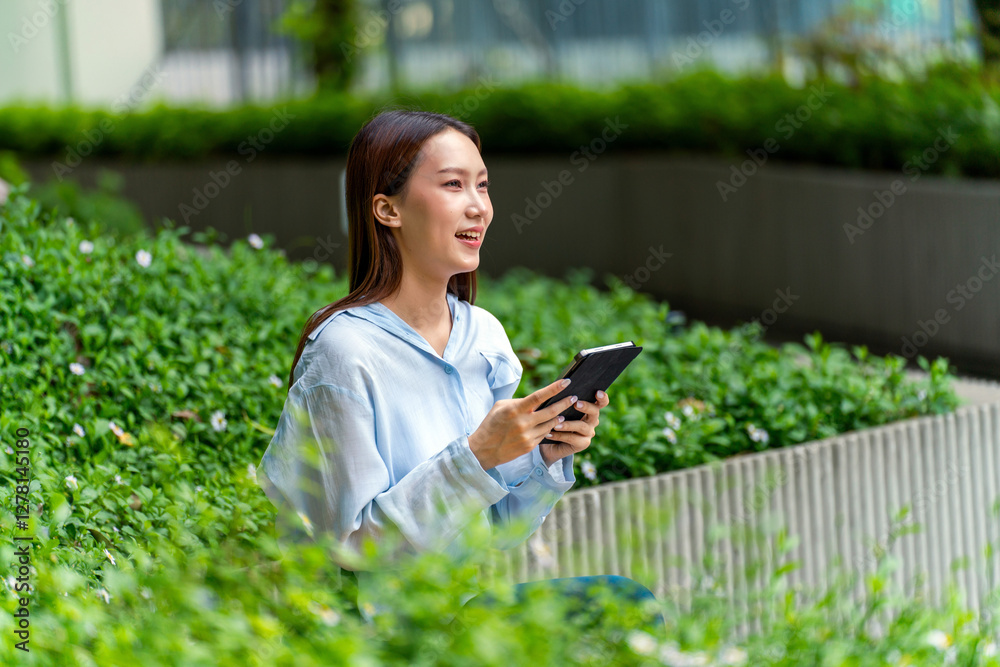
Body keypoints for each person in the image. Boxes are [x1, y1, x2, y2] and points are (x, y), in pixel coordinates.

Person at [255, 109, 661, 630]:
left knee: (624, 607)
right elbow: (354, 551)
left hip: (462, 613)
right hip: (373, 633)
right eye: (453, 185)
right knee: (621, 603)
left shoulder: (482, 336)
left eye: (484, 186)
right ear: (387, 209)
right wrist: (477, 455)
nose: (479, 208)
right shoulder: (344, 352)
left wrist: (543, 457)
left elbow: (496, 531)